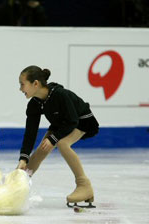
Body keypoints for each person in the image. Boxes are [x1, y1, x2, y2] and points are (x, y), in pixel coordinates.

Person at [16, 65, 99, 207]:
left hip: (82, 121)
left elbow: (73, 121)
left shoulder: (60, 95)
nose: (20, 89)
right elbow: (30, 132)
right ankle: (20, 184)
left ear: (35, 83)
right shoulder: (34, 104)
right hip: (61, 124)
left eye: (22, 84)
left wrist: (53, 138)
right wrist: (24, 158)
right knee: (42, 149)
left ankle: (84, 185)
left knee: (62, 143)